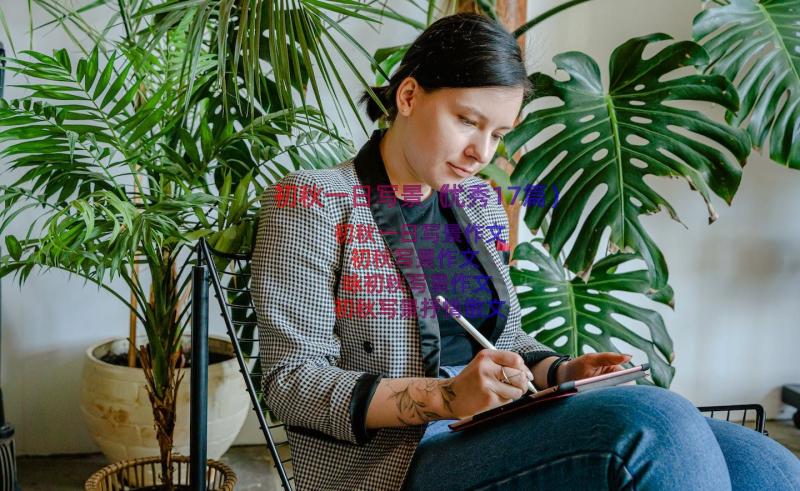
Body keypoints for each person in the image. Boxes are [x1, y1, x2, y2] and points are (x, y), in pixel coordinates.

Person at [251, 12, 800, 491]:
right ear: (409, 96)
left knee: (766, 464)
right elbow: (290, 381)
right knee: (656, 426)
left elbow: (502, 340)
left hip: (493, 428)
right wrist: (447, 398)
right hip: (390, 464)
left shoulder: (474, 206)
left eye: (498, 133)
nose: (480, 152)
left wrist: (563, 371)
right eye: (467, 121)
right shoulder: (315, 203)